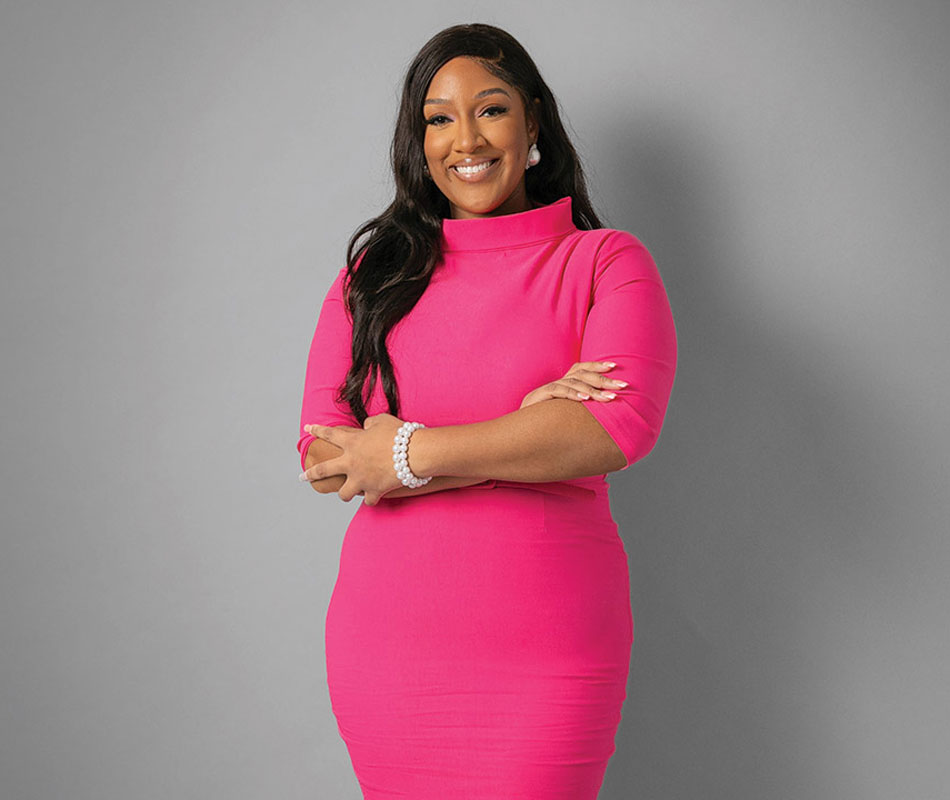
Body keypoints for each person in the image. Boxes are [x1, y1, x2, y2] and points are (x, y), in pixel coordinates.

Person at [295, 22, 677, 799]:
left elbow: (613, 426)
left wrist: (403, 454)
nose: (464, 139)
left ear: (534, 121)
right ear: (419, 138)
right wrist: (522, 427)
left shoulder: (605, 263)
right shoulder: (372, 278)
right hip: (388, 647)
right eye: (438, 118)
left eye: (491, 110)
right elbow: (331, 458)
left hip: (547, 646)